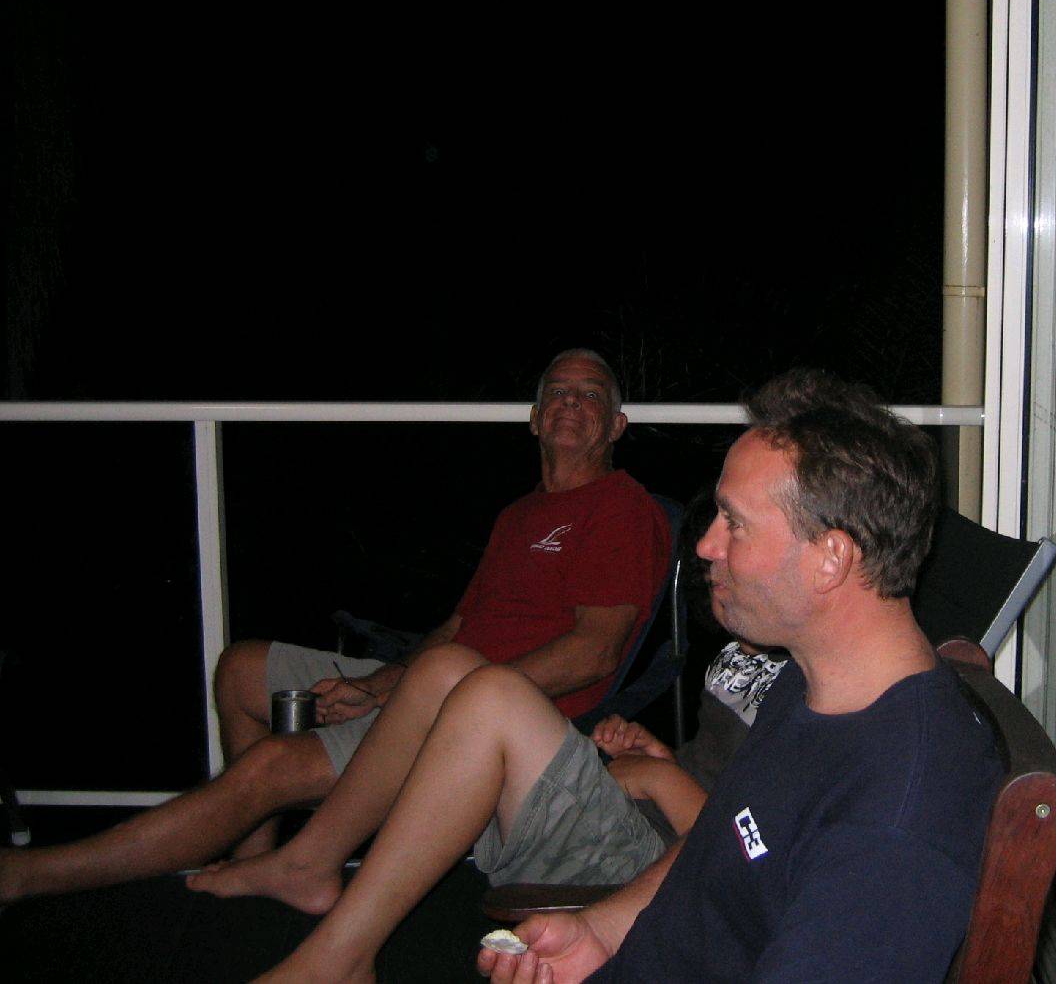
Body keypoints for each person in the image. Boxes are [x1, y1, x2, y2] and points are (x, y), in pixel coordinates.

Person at [0, 349, 670, 905]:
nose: (571, 402)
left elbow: (594, 652)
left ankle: (29, 874)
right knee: (242, 668)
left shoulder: (619, 507)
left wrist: (455, 695)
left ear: (617, 425)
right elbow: (457, 627)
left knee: (270, 767)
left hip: (492, 715)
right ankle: (255, 865)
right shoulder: (518, 515)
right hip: (436, 682)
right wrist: (380, 686)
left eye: (590, 395)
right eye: (557, 392)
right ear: (533, 418)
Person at [481, 369, 1003, 983]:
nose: (706, 546)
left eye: (734, 522)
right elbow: (721, 840)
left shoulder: (894, 821)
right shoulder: (809, 685)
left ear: (830, 558)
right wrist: (601, 932)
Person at [238, 631, 785, 982]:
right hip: (650, 811)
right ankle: (309, 861)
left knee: (493, 697)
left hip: (664, 867)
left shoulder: (825, 686)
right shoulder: (762, 644)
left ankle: (340, 960)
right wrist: (661, 754)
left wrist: (663, 780)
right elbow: (727, 768)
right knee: (444, 668)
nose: (708, 547)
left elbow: (757, 846)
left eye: (736, 525)